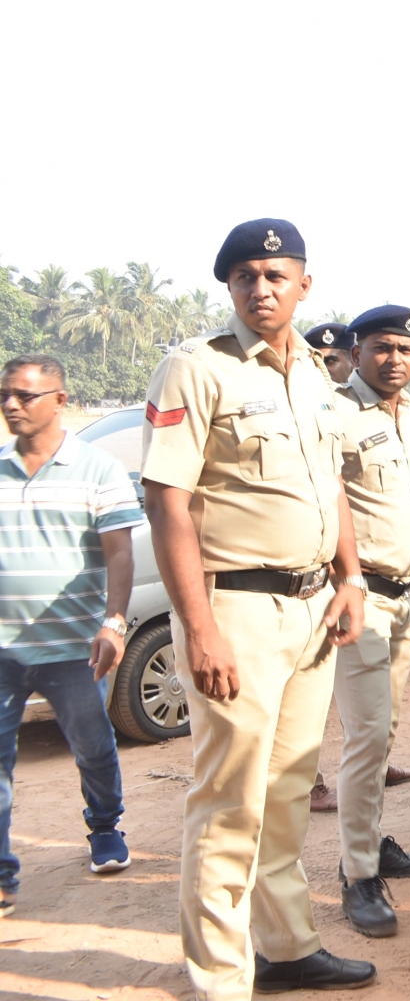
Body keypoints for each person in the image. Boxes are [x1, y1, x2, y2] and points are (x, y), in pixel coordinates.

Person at [142, 218, 374, 997]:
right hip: (235, 610)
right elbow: (167, 500)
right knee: (228, 802)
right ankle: (219, 981)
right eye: (245, 275)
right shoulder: (195, 369)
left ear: (304, 283)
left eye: (276, 274)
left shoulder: (315, 372)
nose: (260, 287)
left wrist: (350, 577)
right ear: (230, 288)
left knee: (285, 789)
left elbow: (331, 483)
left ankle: (287, 946)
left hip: (312, 606)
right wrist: (198, 629)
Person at [0, 355, 143, 918]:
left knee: (91, 748)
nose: (12, 405)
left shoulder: (98, 470)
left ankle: (105, 828)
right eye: (5, 395)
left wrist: (114, 621)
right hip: (2, 649)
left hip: (74, 648)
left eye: (25, 396)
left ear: (59, 400)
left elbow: (119, 553)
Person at [327, 304, 410, 936]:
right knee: (366, 736)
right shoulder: (338, 415)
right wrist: (350, 582)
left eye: (405, 349)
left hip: (409, 596)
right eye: (381, 348)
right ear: (359, 349)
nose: (394, 358)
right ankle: (358, 874)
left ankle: (369, 842)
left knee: (385, 730)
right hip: (362, 598)